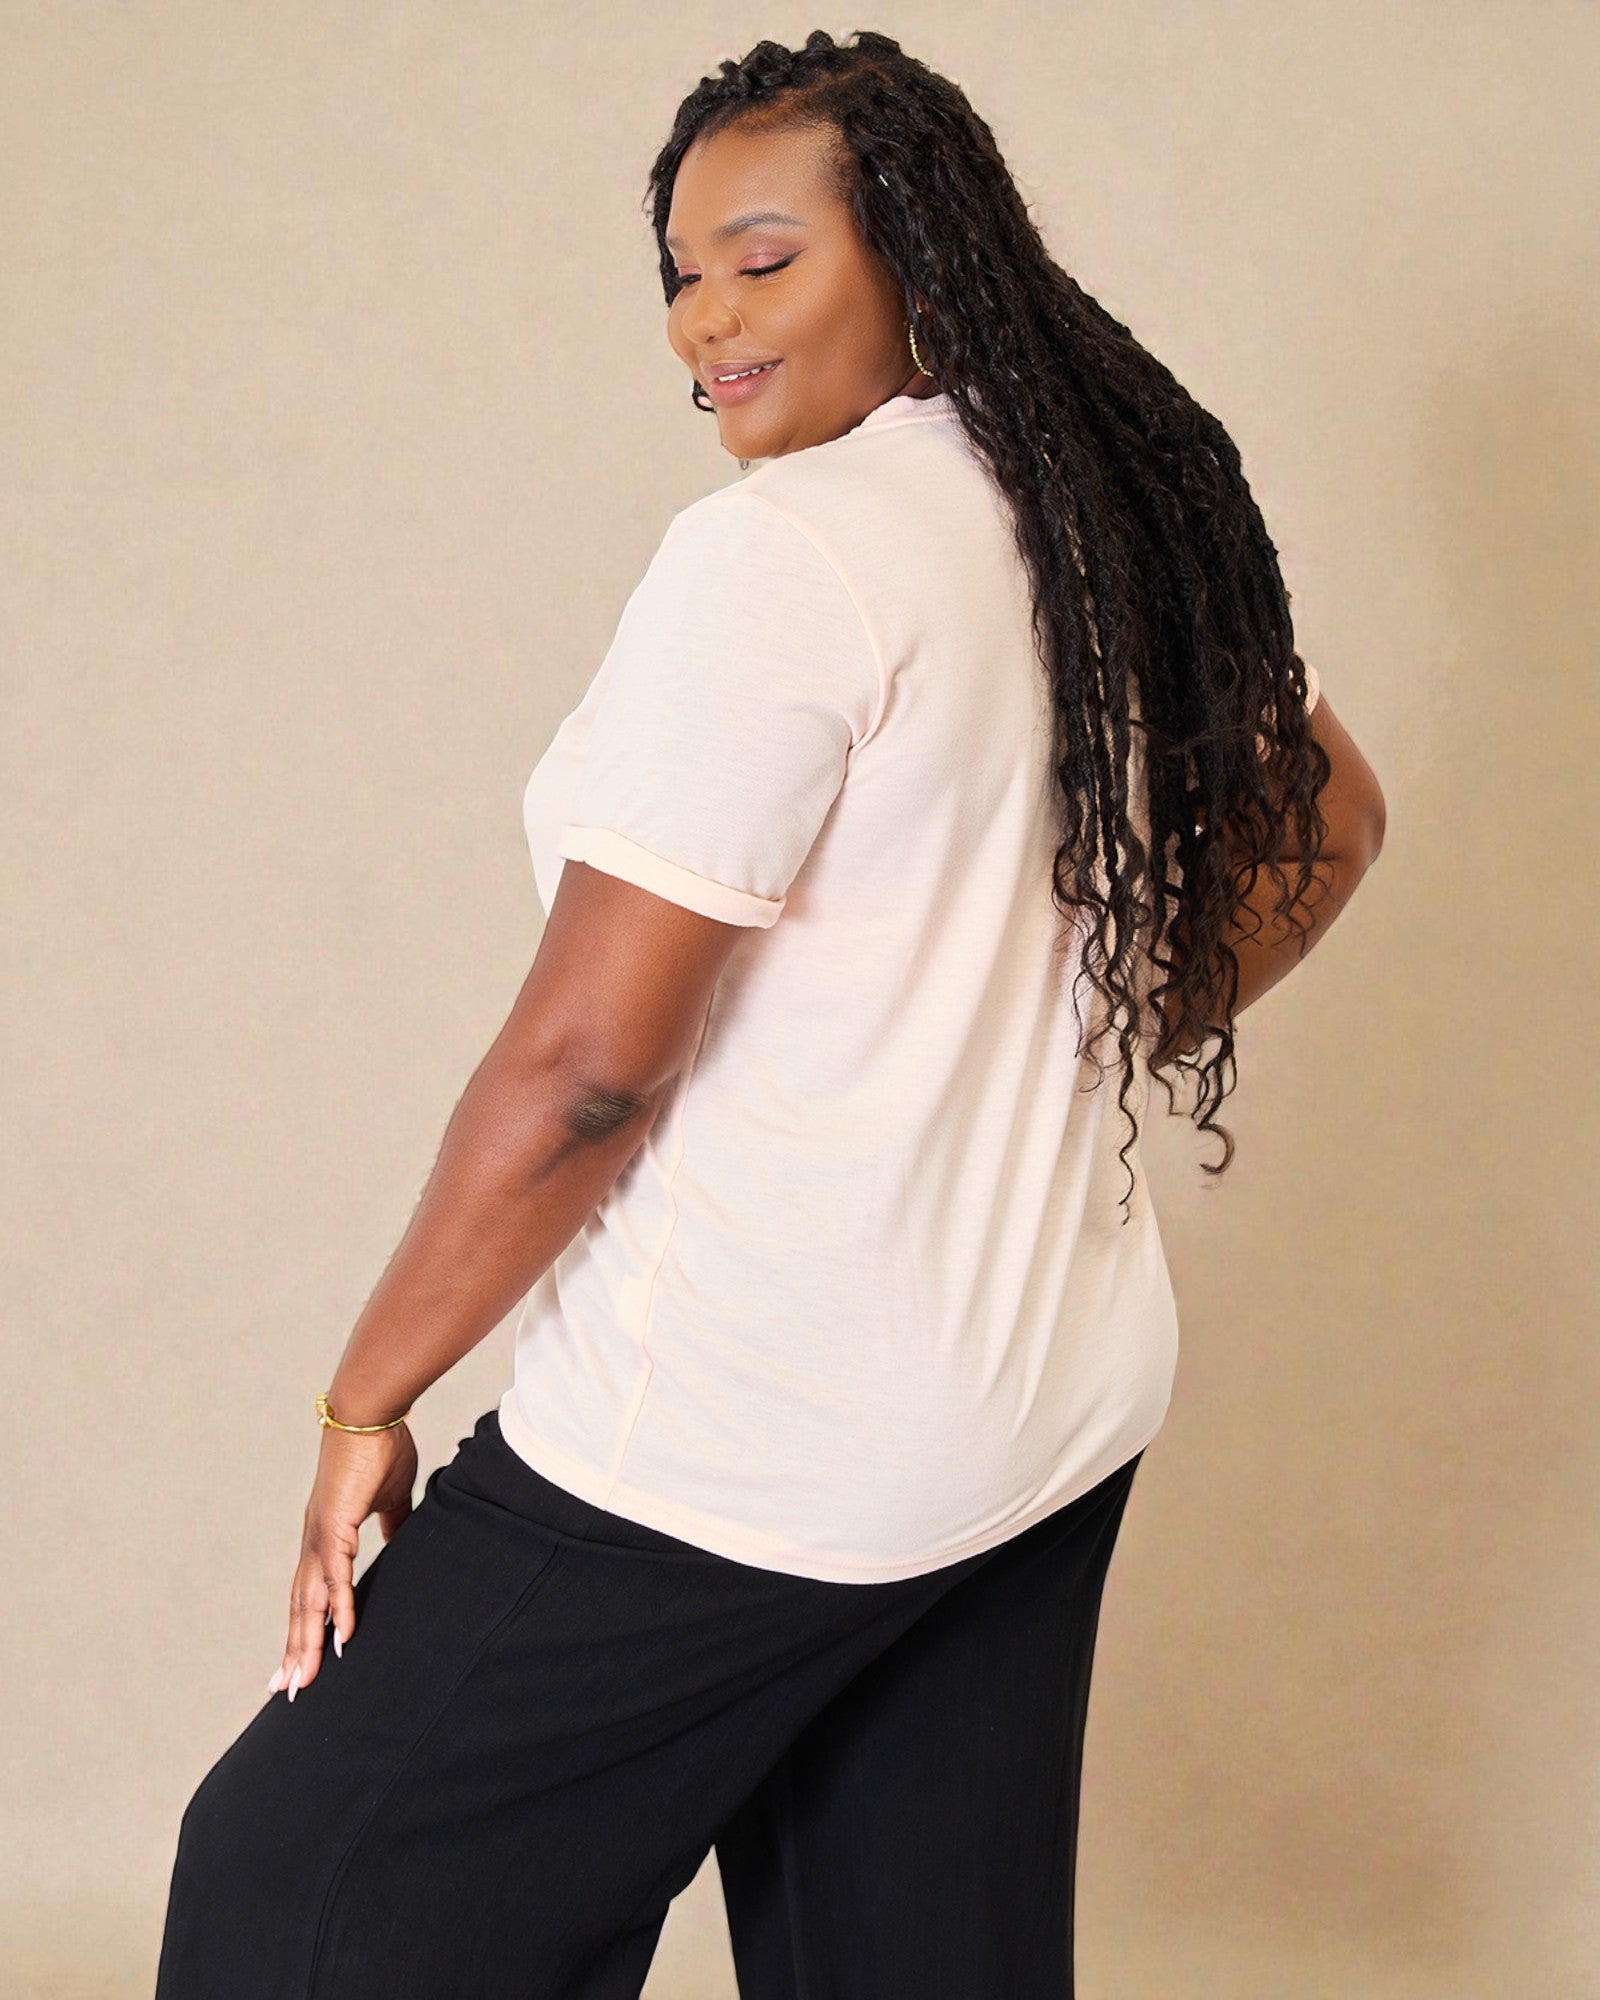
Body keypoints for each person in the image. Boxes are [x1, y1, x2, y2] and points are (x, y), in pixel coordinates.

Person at [155, 29, 1385, 2000]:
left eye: (757, 259)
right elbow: (1326, 814)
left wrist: (363, 1398)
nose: (699, 324)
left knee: (298, 1896)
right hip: (1035, 1403)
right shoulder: (1092, 513)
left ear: (915, 246)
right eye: (676, 276)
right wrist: (1071, 1020)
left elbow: (582, 1072)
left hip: (746, 1435)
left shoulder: (781, 560)